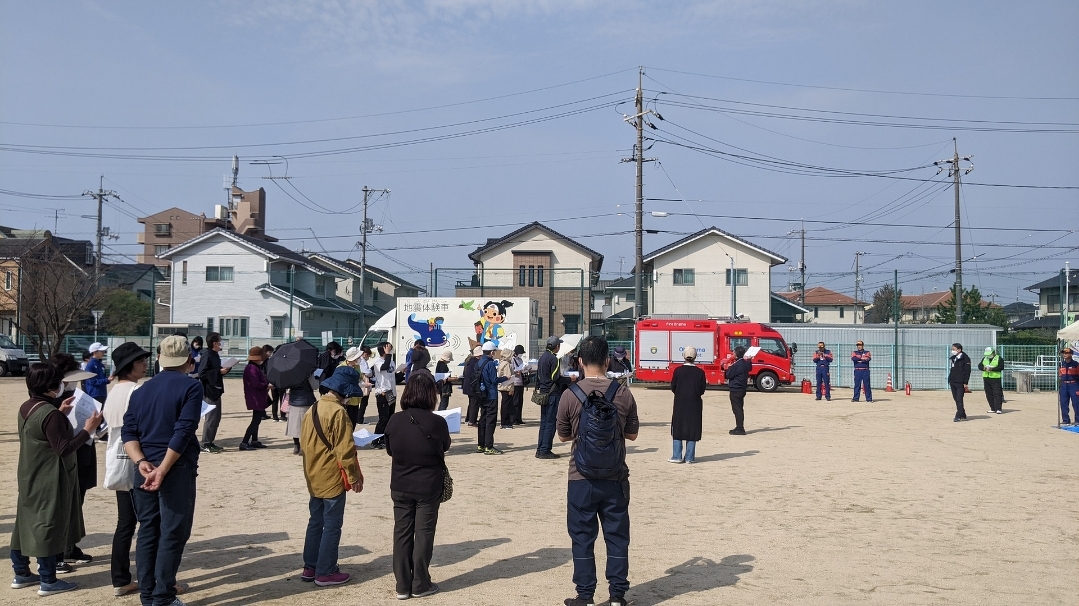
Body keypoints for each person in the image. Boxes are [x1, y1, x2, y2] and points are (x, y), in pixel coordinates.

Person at [556, 336, 639, 606]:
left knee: (582, 537)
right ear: (607, 361)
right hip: (616, 476)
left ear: (580, 361)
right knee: (617, 536)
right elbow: (632, 434)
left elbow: (563, 436)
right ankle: (617, 595)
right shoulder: (623, 393)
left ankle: (585, 595)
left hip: (580, 477)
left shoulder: (570, 394)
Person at [121, 335, 203, 606]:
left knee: (148, 529)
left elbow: (128, 431)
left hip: (144, 467)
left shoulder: (140, 391)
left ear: (159, 359)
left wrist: (140, 461)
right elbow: (184, 431)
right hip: (175, 467)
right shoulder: (191, 387)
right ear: (188, 360)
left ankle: (148, 594)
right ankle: (164, 595)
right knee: (173, 531)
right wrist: (163, 469)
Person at [10, 363, 102, 596]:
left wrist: (60, 413)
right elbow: (64, 448)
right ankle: (48, 579)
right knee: (48, 525)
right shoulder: (49, 414)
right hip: (49, 478)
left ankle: (21, 572)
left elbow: (42, 434)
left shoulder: (28, 406)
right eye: (59, 382)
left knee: (24, 524)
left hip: (30, 474)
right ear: (51, 386)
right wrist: (88, 429)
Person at [385, 372, 450, 600]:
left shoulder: (394, 420)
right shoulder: (438, 422)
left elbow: (390, 450)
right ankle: (420, 583)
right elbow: (445, 446)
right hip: (428, 485)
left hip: (401, 484)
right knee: (424, 533)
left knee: (402, 532)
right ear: (431, 394)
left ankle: (402, 585)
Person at [300, 366, 364, 588]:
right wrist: (354, 478)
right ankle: (325, 571)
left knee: (315, 522)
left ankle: (310, 566)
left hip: (313, 473)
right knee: (332, 525)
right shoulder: (338, 413)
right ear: (344, 391)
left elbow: (305, 444)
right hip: (331, 476)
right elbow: (344, 452)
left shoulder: (313, 408)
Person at [102, 342, 157, 597]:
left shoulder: (113, 391)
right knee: (149, 523)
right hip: (138, 458)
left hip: (118, 459)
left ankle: (120, 578)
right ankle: (152, 579)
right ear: (129, 366)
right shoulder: (137, 390)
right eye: (140, 361)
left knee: (125, 523)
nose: (145, 364)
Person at [45, 353, 97, 569]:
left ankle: (69, 547)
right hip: (68, 457)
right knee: (64, 507)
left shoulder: (76, 395)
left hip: (82, 454)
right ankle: (58, 553)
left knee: (76, 504)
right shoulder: (51, 402)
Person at [537, 336, 574, 460]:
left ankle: (540, 449)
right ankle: (545, 450)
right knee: (551, 423)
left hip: (544, 392)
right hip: (552, 393)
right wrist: (570, 379)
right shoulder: (554, 359)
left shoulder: (542, 357)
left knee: (544, 422)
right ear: (557, 346)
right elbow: (556, 378)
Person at [669, 348, 706, 464]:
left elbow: (673, 387)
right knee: (692, 428)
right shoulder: (700, 372)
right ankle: (689, 457)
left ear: (683, 356)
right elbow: (702, 389)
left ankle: (677, 456)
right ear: (695, 357)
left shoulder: (678, 371)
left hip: (680, 402)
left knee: (678, 427)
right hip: (694, 402)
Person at [198, 332, 230, 453]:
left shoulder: (215, 354)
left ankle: (210, 442)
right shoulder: (207, 355)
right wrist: (218, 372)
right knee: (211, 418)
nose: (222, 343)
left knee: (216, 418)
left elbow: (215, 370)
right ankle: (205, 443)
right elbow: (202, 374)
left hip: (216, 389)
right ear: (215, 343)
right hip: (209, 390)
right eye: (220, 341)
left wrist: (225, 369)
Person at [476, 341, 507, 454]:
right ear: (492, 352)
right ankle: (489, 446)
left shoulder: (479, 362)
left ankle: (481, 445)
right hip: (491, 394)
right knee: (490, 421)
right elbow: (494, 380)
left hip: (481, 394)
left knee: (482, 419)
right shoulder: (490, 364)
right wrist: (505, 378)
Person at [240, 347, 270, 451]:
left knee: (257, 419)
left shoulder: (253, 367)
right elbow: (255, 383)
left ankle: (254, 440)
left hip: (257, 396)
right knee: (256, 420)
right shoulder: (252, 368)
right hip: (256, 397)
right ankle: (244, 442)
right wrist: (266, 386)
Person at [371, 342, 398, 448]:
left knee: (390, 418)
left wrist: (402, 372)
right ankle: (375, 441)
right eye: (389, 348)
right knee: (383, 418)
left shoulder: (391, 361)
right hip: (382, 392)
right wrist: (388, 354)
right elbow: (384, 367)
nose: (391, 350)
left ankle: (385, 439)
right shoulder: (378, 361)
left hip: (391, 392)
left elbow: (393, 376)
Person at [286, 372, 317, 456]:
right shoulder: (308, 372)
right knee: (306, 425)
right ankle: (303, 447)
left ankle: (296, 445)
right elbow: (315, 386)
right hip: (306, 400)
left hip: (293, 400)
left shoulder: (290, 372)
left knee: (294, 425)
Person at [725, 346, 751, 435]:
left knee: (737, 409)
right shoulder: (745, 363)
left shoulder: (737, 365)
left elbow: (728, 375)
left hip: (736, 389)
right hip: (742, 389)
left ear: (736, 354)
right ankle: (739, 426)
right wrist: (749, 360)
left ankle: (740, 428)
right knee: (739, 407)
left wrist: (729, 367)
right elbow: (750, 367)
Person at [948, 343, 971, 422]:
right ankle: (963, 414)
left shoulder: (965, 358)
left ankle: (958, 415)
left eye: (954, 349)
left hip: (960, 382)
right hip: (953, 381)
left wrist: (965, 382)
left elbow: (967, 371)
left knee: (959, 399)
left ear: (959, 350)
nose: (952, 351)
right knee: (956, 399)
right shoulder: (954, 358)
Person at [979, 346, 1004, 415]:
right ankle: (992, 408)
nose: (988, 356)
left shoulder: (999, 358)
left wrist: (992, 369)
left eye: (989, 354)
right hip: (986, 378)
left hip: (995, 378)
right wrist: (983, 368)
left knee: (997, 393)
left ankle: (998, 408)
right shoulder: (985, 358)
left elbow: (1001, 367)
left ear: (993, 353)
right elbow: (979, 366)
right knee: (988, 393)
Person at [263, 345, 284, 422]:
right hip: (281, 382)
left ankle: (275, 416)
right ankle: (282, 416)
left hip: (273, 382)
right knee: (282, 399)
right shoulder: (283, 360)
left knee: (275, 399)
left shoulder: (271, 360)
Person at [461, 346, 481, 427]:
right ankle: (472, 421)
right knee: (474, 403)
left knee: (471, 403)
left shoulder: (469, 361)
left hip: (468, 385)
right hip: (473, 386)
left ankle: (469, 418)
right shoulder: (476, 363)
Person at [1058, 347, 1078, 425]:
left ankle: (1077, 420)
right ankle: (1065, 420)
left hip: (1074, 384)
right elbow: (1060, 374)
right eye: (1064, 353)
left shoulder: (1076, 364)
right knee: (1063, 403)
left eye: (1067, 353)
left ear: (1071, 354)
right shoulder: (1061, 364)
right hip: (1064, 385)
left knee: (1076, 403)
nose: (1065, 354)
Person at [497, 347, 516, 429]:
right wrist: (511, 389)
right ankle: (505, 423)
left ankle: (504, 422)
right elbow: (509, 377)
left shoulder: (501, 363)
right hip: (506, 387)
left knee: (504, 404)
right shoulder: (507, 364)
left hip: (502, 386)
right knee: (506, 405)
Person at [357, 346, 374, 423]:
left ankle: (358, 418)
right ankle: (360, 419)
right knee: (364, 402)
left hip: (360, 382)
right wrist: (371, 372)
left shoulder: (359, 360)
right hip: (363, 382)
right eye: (368, 355)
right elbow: (367, 372)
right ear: (365, 354)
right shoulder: (362, 361)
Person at [511, 345, 527, 425]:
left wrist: (526, 369)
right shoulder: (512, 360)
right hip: (515, 382)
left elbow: (522, 368)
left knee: (520, 401)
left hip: (521, 382)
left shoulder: (520, 360)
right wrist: (516, 372)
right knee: (515, 401)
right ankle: (513, 419)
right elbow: (511, 370)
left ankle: (519, 418)